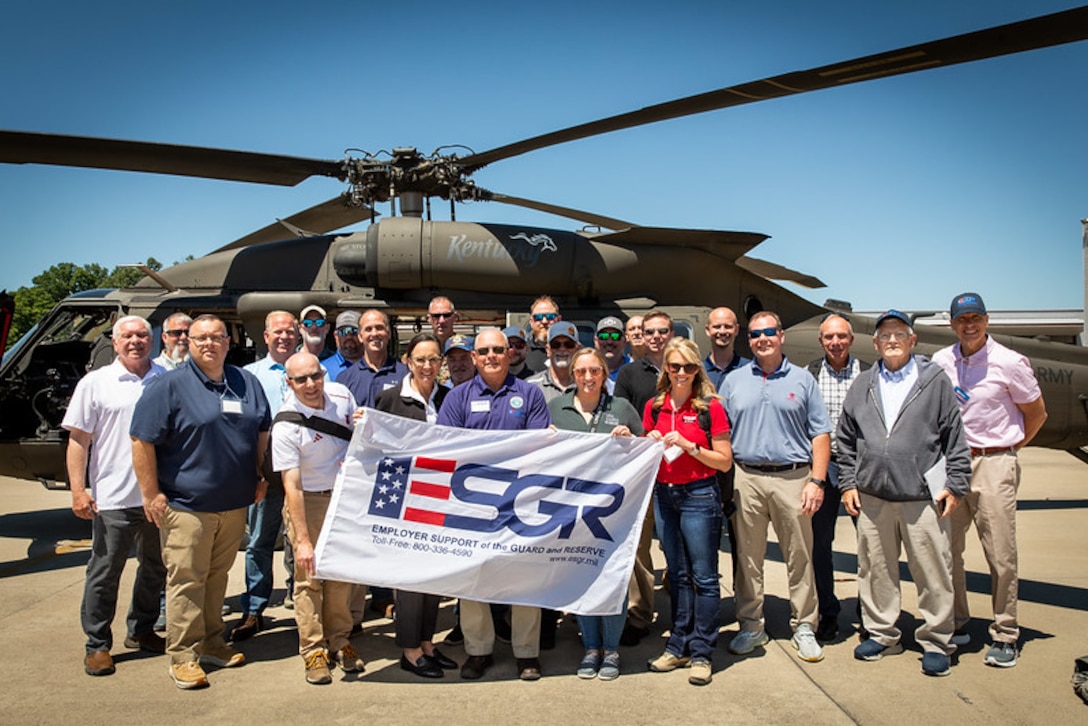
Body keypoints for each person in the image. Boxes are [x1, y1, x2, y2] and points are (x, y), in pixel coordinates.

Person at [131, 314, 271, 690]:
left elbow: (261, 429)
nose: (209, 343)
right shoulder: (169, 386)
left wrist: (259, 475)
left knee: (216, 577)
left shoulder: (246, 382)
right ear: (187, 343)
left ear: (228, 342)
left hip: (234, 504)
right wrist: (150, 494)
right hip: (186, 504)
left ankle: (212, 642)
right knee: (186, 581)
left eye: (216, 337)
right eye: (200, 338)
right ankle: (183, 654)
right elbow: (141, 439)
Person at [837, 310, 971, 677]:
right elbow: (846, 439)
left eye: (899, 334)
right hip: (873, 496)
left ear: (913, 341)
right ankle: (882, 634)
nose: (891, 340)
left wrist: (955, 485)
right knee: (876, 570)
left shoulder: (934, 381)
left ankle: (936, 641)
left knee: (933, 572)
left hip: (921, 496)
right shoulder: (863, 383)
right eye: (885, 336)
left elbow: (954, 439)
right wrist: (848, 483)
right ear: (876, 344)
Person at [932, 292, 1047, 668]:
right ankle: (957, 622)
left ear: (987, 320)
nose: (969, 324)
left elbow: (1037, 414)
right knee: (948, 552)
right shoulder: (940, 362)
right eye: (962, 319)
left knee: (1001, 554)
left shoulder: (1010, 363)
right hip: (951, 467)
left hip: (993, 463)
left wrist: (1006, 451)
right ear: (952, 324)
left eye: (975, 317)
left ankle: (1006, 633)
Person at [436, 327, 551, 681]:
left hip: (520, 501)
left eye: (498, 350)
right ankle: (478, 650)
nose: (491, 357)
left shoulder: (530, 395)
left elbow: (536, 447)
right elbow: (448, 449)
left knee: (524, 578)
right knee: (474, 579)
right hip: (472, 503)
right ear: (473, 357)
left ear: (509, 354)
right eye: (483, 351)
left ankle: (526, 653)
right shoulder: (457, 399)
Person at [720, 310, 830, 663]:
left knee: (800, 556)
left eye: (768, 332)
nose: (762, 339)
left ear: (781, 336)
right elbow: (722, 432)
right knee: (748, 558)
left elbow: (821, 433)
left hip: (793, 478)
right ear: (748, 339)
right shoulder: (734, 381)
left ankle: (804, 625)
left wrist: (817, 480)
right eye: (755, 334)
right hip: (746, 477)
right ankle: (751, 625)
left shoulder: (803, 380)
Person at [63, 315, 167, 677]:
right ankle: (97, 644)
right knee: (106, 571)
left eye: (142, 335)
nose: (136, 341)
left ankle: (141, 629)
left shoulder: (164, 380)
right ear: (114, 340)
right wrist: (79, 490)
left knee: (156, 568)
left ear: (152, 340)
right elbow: (79, 440)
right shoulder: (96, 383)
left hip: (156, 497)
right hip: (113, 497)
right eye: (128, 335)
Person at [548, 347, 643, 681]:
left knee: (613, 580)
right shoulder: (556, 409)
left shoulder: (621, 408)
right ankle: (590, 648)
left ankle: (612, 651)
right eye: (581, 372)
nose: (588, 378)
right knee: (581, 578)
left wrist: (630, 440)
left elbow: (646, 452)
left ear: (605, 373)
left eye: (594, 371)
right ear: (572, 375)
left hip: (613, 513)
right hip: (572, 513)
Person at [643, 338, 733, 687]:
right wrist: (648, 439)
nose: (681, 373)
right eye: (675, 366)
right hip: (665, 496)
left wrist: (691, 446)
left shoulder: (711, 407)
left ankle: (702, 652)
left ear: (698, 369)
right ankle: (678, 644)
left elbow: (724, 461)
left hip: (699, 495)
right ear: (665, 367)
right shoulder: (655, 406)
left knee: (705, 577)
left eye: (689, 367)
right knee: (677, 576)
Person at [274, 351, 365, 684]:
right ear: (289, 382)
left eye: (316, 375)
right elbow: (291, 485)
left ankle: (340, 639)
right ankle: (313, 648)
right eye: (301, 379)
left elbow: (357, 435)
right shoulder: (286, 423)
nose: (311, 385)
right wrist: (301, 540)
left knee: (340, 573)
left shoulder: (341, 394)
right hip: (308, 501)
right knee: (309, 576)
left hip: (343, 498)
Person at [374, 333, 459, 679]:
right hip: (405, 502)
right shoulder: (391, 399)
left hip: (441, 498)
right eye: (420, 359)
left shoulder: (449, 398)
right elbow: (376, 449)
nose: (427, 366)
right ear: (408, 361)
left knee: (433, 576)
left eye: (434, 359)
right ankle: (409, 650)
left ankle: (427, 642)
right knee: (409, 578)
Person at [232, 311, 300, 642]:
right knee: (259, 541)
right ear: (266, 335)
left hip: (304, 473)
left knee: (302, 539)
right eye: (278, 332)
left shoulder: (311, 369)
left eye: (290, 331)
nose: (284, 337)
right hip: (266, 472)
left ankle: (303, 605)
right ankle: (254, 609)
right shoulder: (248, 377)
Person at [805, 312, 868, 642]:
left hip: (861, 469)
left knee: (871, 546)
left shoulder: (868, 375)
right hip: (824, 469)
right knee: (819, 546)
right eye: (829, 337)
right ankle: (827, 611)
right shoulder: (810, 374)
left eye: (841, 336)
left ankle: (869, 612)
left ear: (851, 339)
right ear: (821, 341)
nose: (835, 342)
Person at [613, 309, 673, 645]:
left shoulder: (685, 369)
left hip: (680, 473)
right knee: (639, 548)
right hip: (643, 475)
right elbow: (619, 416)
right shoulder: (629, 374)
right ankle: (639, 614)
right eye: (649, 331)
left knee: (677, 546)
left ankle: (681, 612)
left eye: (662, 331)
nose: (655, 337)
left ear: (670, 333)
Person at [336, 309, 407, 407]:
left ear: (389, 333)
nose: (374, 334)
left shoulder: (406, 375)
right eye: (368, 329)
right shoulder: (345, 378)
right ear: (360, 336)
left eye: (379, 328)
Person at [527, 321, 578, 402]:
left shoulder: (585, 384)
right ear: (548, 350)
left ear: (577, 349)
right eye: (556, 345)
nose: (562, 349)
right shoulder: (530, 386)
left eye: (569, 344)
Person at [702, 307, 748, 390]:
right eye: (717, 327)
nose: (722, 331)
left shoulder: (748, 370)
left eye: (728, 327)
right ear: (707, 330)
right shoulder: (697, 372)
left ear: (736, 330)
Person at [324, 310, 363, 380]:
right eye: (343, 331)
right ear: (335, 336)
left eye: (354, 331)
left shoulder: (375, 364)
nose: (349, 336)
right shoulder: (323, 369)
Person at [525, 295, 560, 371]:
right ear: (531, 322)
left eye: (550, 316)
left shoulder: (572, 348)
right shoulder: (521, 349)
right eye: (538, 317)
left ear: (559, 320)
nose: (544, 321)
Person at [595, 316, 630, 382]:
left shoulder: (634, 368)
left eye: (615, 336)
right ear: (595, 341)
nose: (609, 342)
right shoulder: (587, 370)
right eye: (603, 336)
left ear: (624, 341)